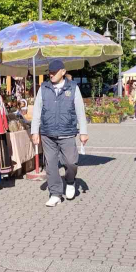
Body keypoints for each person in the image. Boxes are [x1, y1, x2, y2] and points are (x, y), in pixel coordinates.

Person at [30, 59, 88, 206]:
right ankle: (55, 193)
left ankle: (70, 181)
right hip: (47, 133)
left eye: (54, 72)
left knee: (71, 162)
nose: (51, 75)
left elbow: (80, 110)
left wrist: (83, 131)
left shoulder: (73, 88)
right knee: (50, 164)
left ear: (63, 72)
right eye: (50, 72)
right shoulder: (43, 88)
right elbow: (37, 110)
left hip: (67, 132)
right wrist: (34, 131)